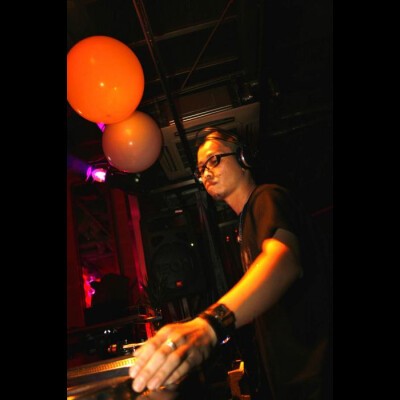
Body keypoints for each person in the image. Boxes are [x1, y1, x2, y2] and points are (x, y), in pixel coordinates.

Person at [129, 126, 331, 399]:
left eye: (213, 160)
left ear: (243, 158)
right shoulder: (244, 225)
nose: (206, 173)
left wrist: (208, 326)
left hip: (317, 379)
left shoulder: (267, 197)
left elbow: (283, 260)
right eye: (200, 169)